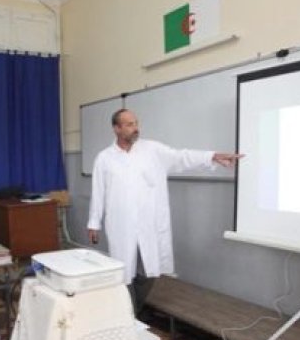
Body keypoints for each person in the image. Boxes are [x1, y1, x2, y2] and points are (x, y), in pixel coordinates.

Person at [87, 109, 243, 313]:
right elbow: (98, 192)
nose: (136, 128)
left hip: (148, 224)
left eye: (136, 123)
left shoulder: (152, 150)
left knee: (148, 272)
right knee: (124, 272)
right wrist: (93, 223)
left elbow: (182, 157)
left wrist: (212, 156)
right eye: (130, 124)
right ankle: (129, 318)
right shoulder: (105, 158)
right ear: (116, 128)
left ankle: (133, 312)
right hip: (121, 225)